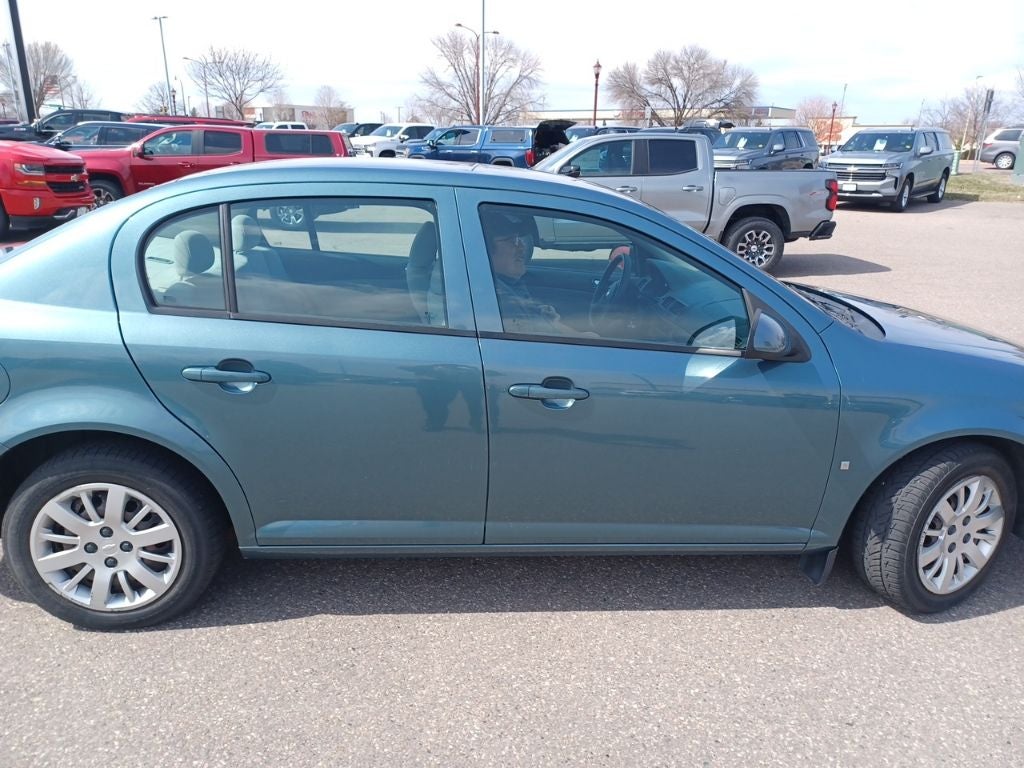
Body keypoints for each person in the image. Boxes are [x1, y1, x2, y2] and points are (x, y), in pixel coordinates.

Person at [483, 210, 585, 336]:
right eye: (512, 241)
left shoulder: (506, 287)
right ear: (485, 249)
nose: (522, 246)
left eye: (519, 239)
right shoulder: (496, 301)